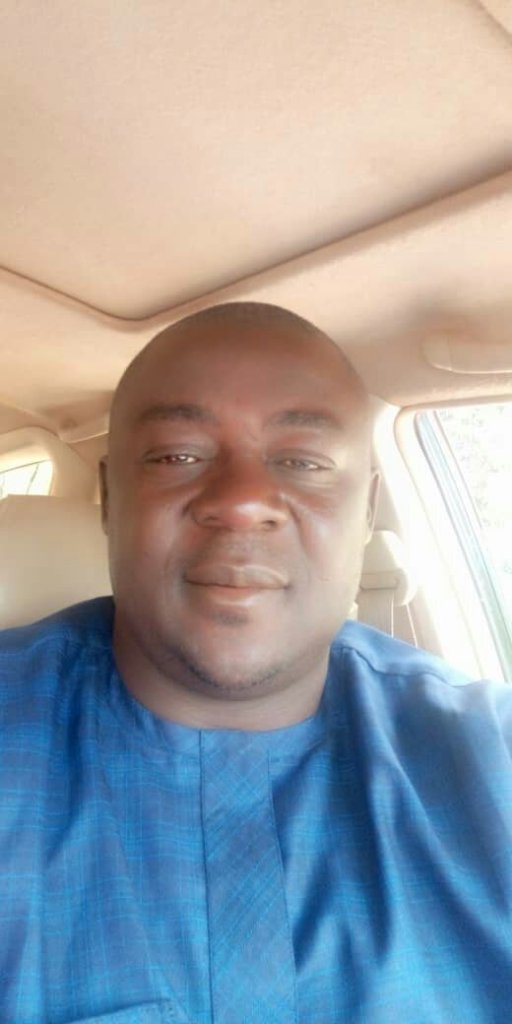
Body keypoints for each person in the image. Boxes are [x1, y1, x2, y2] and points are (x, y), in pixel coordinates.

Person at [0, 302, 511, 1024]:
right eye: (177, 455)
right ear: (111, 500)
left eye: (302, 462)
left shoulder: (488, 757)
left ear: (366, 511)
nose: (242, 502)